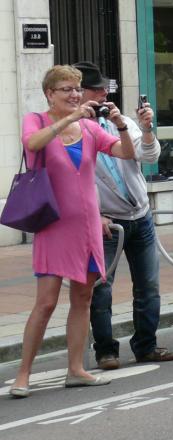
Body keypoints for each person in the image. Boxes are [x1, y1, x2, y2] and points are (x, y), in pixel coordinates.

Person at [10, 65, 138, 398]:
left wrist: (122, 125)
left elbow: (126, 152)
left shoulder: (91, 129)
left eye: (77, 89)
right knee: (46, 303)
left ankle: (76, 369)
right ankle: (22, 375)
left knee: (82, 299)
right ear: (49, 93)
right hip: (53, 226)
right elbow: (32, 144)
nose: (74, 94)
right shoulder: (37, 121)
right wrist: (68, 119)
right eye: (67, 89)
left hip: (87, 226)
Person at [74, 62, 173, 371]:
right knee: (101, 289)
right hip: (105, 222)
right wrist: (95, 215)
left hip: (140, 216)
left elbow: (148, 156)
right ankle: (106, 350)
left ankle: (146, 345)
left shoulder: (121, 123)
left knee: (148, 285)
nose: (102, 94)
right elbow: (72, 179)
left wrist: (143, 128)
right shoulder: (71, 129)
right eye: (94, 90)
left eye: (102, 89)